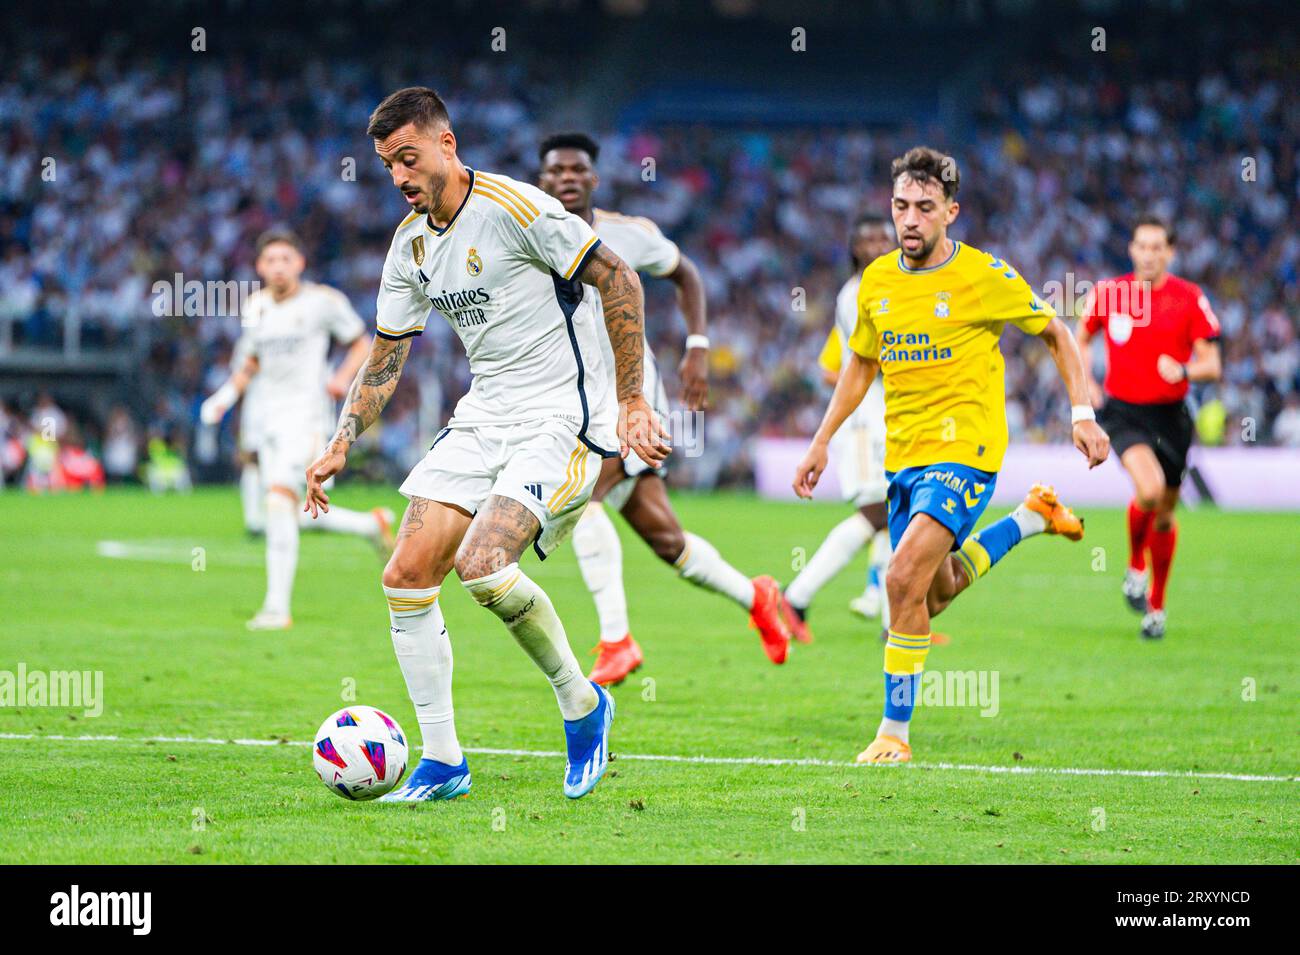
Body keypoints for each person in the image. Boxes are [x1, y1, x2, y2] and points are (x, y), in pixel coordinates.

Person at [303, 88, 669, 801]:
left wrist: (630, 400)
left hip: (560, 418)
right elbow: (384, 357)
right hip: (483, 417)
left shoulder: (516, 208)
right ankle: (443, 762)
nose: (400, 175)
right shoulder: (409, 243)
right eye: (386, 164)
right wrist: (341, 438)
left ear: (447, 144)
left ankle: (583, 703)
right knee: (405, 575)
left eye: (408, 157)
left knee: (481, 563)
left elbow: (619, 277)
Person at [793, 147, 1110, 764]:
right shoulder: (877, 282)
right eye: (901, 206)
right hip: (903, 456)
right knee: (932, 594)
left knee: (899, 578)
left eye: (925, 208)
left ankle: (894, 733)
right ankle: (1031, 518)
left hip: (967, 450)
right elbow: (860, 363)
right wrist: (822, 439)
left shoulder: (983, 276)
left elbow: (1057, 333)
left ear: (951, 212)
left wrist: (1083, 415)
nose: (909, 219)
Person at [537, 132, 794, 685]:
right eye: (556, 170)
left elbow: (687, 274)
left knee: (578, 497)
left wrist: (698, 348)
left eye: (577, 169)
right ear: (543, 180)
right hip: (572, 399)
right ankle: (756, 596)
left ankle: (617, 641)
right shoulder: (531, 237)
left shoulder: (628, 235)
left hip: (631, 398)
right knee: (668, 543)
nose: (566, 178)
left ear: (593, 178)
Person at [200, 229, 394, 630]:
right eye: (270, 261)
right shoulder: (255, 307)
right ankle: (368, 525)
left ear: (300, 263)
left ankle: (276, 608)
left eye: (285, 259)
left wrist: (341, 379)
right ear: (259, 267)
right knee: (292, 511)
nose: (278, 267)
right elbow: (250, 363)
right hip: (268, 420)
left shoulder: (322, 302)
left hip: (307, 419)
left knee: (277, 502)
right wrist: (223, 397)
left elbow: (362, 342)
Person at [1076, 216, 1222, 639]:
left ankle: (1156, 607)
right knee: (1150, 490)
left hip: (1171, 417)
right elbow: (1079, 337)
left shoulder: (1190, 298)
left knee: (1165, 515)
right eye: (1142, 245)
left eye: (1158, 247)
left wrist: (1184, 369)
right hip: (1123, 413)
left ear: (1170, 253)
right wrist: (1086, 383)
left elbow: (1213, 364)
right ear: (1131, 250)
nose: (1149, 254)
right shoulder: (1109, 293)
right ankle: (1134, 566)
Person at [782, 213, 894, 642]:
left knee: (891, 516)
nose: (878, 244)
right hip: (865, 419)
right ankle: (796, 595)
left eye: (884, 236)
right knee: (876, 515)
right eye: (867, 239)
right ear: (855, 249)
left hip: (884, 414)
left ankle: (891, 622)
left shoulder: (885, 285)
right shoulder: (859, 293)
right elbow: (878, 358)